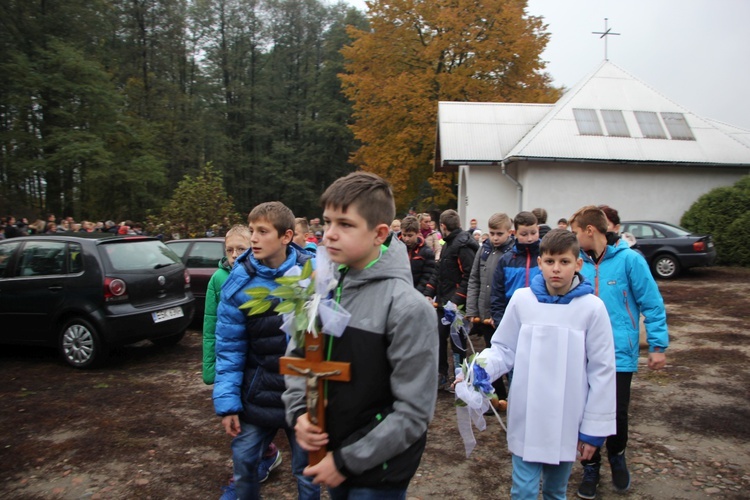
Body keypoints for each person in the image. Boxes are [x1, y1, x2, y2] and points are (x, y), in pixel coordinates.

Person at [283, 171, 438, 498]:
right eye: (326, 222)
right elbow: (299, 360)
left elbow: (413, 412)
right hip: (332, 455)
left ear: (379, 233)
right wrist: (299, 414)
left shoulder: (407, 308)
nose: (329, 235)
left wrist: (345, 460)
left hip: (378, 473)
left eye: (345, 224)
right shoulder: (320, 290)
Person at [458, 228, 616, 500]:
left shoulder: (591, 308)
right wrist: (478, 369)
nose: (557, 269)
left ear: (578, 264)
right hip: (528, 413)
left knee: (556, 490)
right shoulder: (522, 300)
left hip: (567, 417)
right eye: (550, 261)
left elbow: (602, 370)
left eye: (564, 262)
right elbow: (504, 348)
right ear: (540, 262)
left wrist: (593, 430)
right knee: (523, 490)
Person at [213, 202, 319, 500]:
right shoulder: (239, 284)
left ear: (286, 236)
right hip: (258, 393)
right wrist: (228, 404)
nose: (254, 239)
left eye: (262, 231)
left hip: (303, 396)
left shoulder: (313, 276)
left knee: (308, 472)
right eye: (252, 231)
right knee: (245, 463)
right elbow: (229, 349)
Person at [569, 206, 668, 499]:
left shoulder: (630, 261)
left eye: (575, 233)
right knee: (584, 410)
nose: (573, 239)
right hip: (584, 353)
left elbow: (651, 303)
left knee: (616, 414)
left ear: (590, 231)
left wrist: (658, 345)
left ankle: (617, 456)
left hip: (619, 353)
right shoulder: (578, 264)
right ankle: (591, 468)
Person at [203, 225, 283, 496]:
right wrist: (211, 369)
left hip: (263, 373)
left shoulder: (267, 278)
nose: (235, 255)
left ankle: (263, 460)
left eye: (241, 248)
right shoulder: (219, 279)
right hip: (242, 373)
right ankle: (259, 464)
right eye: (230, 250)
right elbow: (213, 328)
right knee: (248, 434)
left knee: (256, 431)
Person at [424, 209, 479, 391]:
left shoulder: (462, 247)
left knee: (458, 342)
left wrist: (456, 300)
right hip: (443, 302)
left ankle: (459, 376)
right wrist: (429, 292)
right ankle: (441, 374)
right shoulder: (448, 244)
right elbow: (438, 272)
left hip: (457, 305)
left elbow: (469, 276)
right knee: (438, 336)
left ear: (443, 226)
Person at [465, 212, 515, 403]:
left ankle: (513, 396)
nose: (495, 238)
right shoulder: (483, 250)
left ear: (509, 233)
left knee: (508, 357)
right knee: (490, 352)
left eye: (499, 234)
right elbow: (474, 278)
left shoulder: (512, 253)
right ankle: (496, 395)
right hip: (485, 313)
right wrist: (472, 309)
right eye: (492, 233)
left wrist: (502, 314)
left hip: (502, 315)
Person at [490, 211, 542, 327]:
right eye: (524, 234)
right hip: (513, 320)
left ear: (538, 229)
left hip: (541, 319)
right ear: (515, 233)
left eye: (533, 233)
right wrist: (500, 321)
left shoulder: (547, 256)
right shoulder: (506, 260)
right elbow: (497, 293)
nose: (530, 238)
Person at [398, 215, 436, 294]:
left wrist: (415, 293)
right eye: (404, 235)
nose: (406, 239)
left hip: (416, 292)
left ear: (418, 233)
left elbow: (427, 276)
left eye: (410, 235)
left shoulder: (426, 252)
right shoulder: (395, 248)